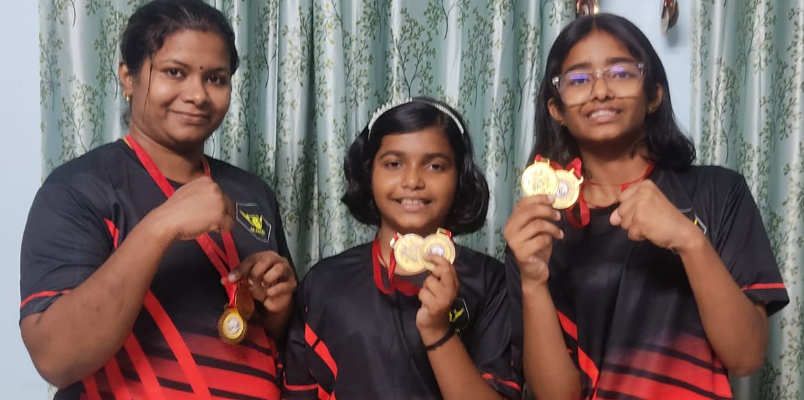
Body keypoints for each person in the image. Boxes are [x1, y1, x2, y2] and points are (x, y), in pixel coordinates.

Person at [503, 13, 789, 400]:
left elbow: (746, 357)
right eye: (579, 80)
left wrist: (689, 240)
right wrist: (533, 281)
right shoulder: (538, 225)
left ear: (654, 94)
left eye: (621, 73)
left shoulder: (719, 192)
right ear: (556, 109)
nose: (600, 91)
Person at [19, 1, 296, 399]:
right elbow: (57, 357)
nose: (197, 94)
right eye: (174, 72)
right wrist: (161, 226)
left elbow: (284, 345)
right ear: (128, 78)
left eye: (215, 78)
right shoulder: (78, 188)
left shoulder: (253, 193)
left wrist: (278, 309)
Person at [281, 97, 521, 400]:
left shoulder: (491, 283)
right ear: (369, 174)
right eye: (393, 163)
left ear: (460, 178)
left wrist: (437, 330)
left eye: (435, 165)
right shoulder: (324, 282)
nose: (412, 181)